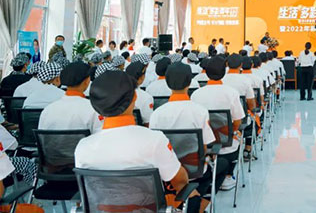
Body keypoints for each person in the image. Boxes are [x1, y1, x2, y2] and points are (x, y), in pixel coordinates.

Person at [74, 71, 194, 209]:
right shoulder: (154, 140)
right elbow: (180, 181)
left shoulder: (83, 147)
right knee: (193, 197)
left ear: (95, 105)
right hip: (148, 209)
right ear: (134, 97)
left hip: (105, 209)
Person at [150, 62, 227, 200]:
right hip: (195, 171)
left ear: (167, 83)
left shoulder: (156, 114)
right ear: (190, 82)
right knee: (223, 164)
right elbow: (205, 146)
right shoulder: (199, 111)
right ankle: (199, 203)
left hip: (168, 174)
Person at [191, 56, 245, 191]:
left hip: (203, 146)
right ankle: (228, 175)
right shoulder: (231, 93)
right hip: (226, 146)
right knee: (239, 137)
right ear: (224, 72)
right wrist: (230, 133)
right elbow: (237, 121)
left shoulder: (196, 94)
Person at [38, 61, 102, 132]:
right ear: (87, 81)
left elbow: (42, 137)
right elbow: (100, 135)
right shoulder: (93, 110)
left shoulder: (47, 110)